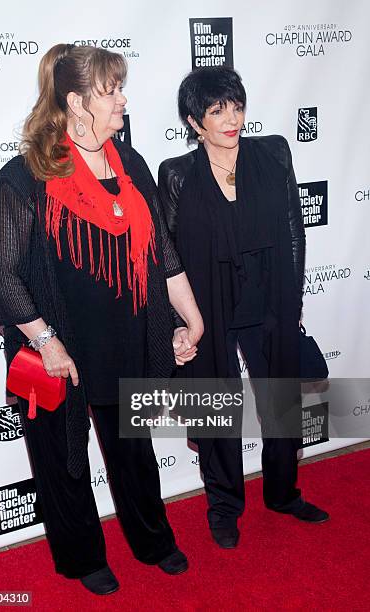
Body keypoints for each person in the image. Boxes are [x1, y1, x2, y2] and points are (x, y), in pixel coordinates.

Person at [0, 44, 203, 595]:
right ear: (77, 101)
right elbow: (2, 275)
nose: (124, 100)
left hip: (127, 338)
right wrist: (46, 340)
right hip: (60, 347)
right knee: (63, 458)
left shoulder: (130, 164)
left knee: (135, 452)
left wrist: (191, 320)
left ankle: (153, 540)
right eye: (113, 91)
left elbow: (164, 255)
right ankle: (83, 556)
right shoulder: (26, 175)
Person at [158, 66, 329, 550]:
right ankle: (225, 506)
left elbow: (295, 229)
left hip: (268, 295)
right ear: (195, 122)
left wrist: (292, 300)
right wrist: (181, 323)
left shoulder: (273, 153)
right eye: (217, 110)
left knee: (283, 398)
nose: (231, 119)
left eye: (236, 107)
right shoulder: (176, 174)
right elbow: (168, 255)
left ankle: (282, 492)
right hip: (209, 304)